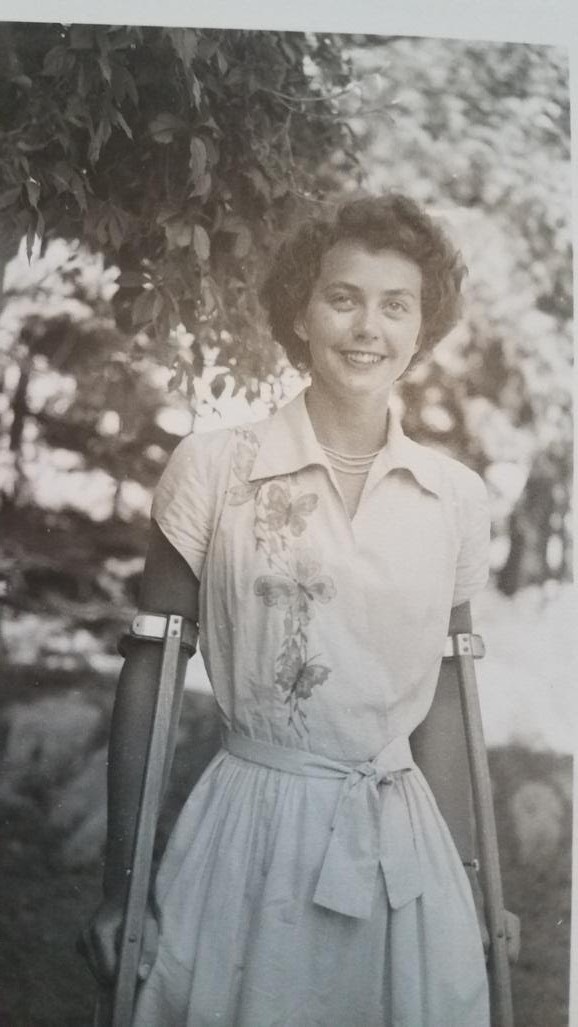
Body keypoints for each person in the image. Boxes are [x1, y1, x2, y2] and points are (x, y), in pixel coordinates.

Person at [84, 193, 515, 1026]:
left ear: (423, 329)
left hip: (401, 850)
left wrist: (469, 884)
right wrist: (119, 889)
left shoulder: (453, 497)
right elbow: (152, 670)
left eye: (397, 306)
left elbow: (450, 702)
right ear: (301, 312)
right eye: (343, 297)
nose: (368, 327)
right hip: (251, 832)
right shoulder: (214, 468)